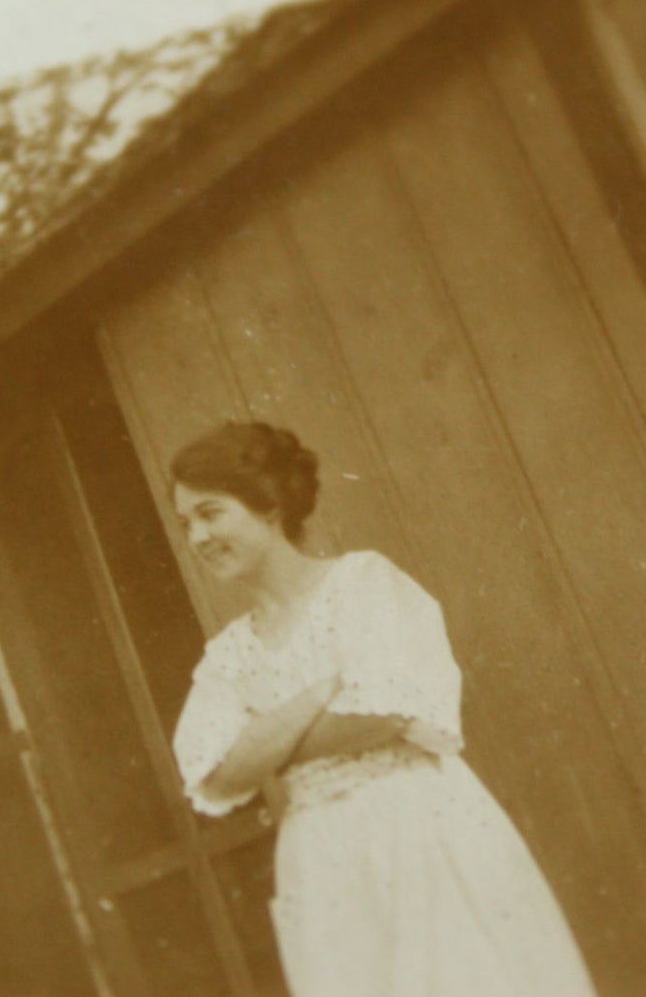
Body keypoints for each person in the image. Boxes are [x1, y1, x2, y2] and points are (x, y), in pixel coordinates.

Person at [168, 421, 599, 997]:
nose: (196, 536)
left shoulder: (362, 584)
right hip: (321, 856)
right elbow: (213, 770)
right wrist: (318, 693)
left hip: (417, 825)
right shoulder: (228, 655)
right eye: (185, 523)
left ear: (268, 505)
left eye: (210, 512)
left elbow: (383, 713)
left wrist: (266, 739)